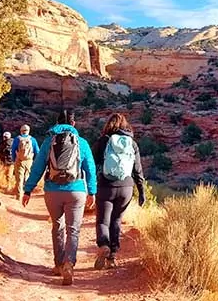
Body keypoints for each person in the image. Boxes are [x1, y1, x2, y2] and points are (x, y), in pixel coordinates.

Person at [22, 110, 96, 286]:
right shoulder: (82, 143)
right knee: (74, 229)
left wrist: (28, 190)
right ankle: (69, 264)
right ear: (74, 124)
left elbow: (37, 167)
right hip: (76, 190)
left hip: (52, 191)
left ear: (56, 123)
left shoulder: (49, 141)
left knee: (58, 226)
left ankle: (58, 264)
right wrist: (92, 192)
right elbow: (90, 169)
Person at [90, 113, 146, 270]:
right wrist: (142, 192)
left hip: (106, 186)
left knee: (103, 220)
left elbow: (92, 163)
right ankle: (112, 257)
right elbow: (138, 170)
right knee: (116, 220)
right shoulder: (132, 143)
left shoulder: (104, 141)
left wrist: (90, 185)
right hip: (126, 188)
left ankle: (103, 245)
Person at [11, 124, 39, 200]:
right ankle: (27, 195)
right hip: (29, 161)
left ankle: (19, 196)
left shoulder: (17, 139)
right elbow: (37, 151)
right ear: (28, 131)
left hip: (19, 160)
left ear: (21, 131)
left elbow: (13, 150)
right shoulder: (33, 140)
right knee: (27, 178)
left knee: (19, 179)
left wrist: (14, 160)